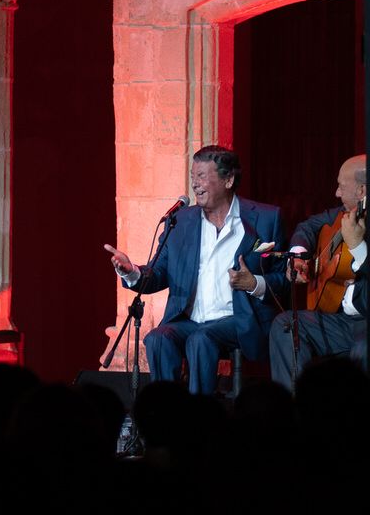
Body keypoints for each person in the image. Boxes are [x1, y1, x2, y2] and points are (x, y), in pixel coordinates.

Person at [106, 145, 286, 394]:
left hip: (237, 319)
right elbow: (157, 274)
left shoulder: (265, 218)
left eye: (202, 176)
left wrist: (254, 283)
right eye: (193, 177)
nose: (195, 184)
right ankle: (165, 415)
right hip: (190, 320)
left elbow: (283, 280)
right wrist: (130, 271)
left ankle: (198, 419)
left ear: (228, 179)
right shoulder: (181, 222)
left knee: (202, 340)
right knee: (158, 338)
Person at [269, 154, 367, 388]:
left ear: (362, 191)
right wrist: (299, 255)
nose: (336, 193)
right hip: (340, 320)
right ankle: (295, 412)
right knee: (286, 325)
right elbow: (309, 225)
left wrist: (357, 246)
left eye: (342, 187)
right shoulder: (343, 213)